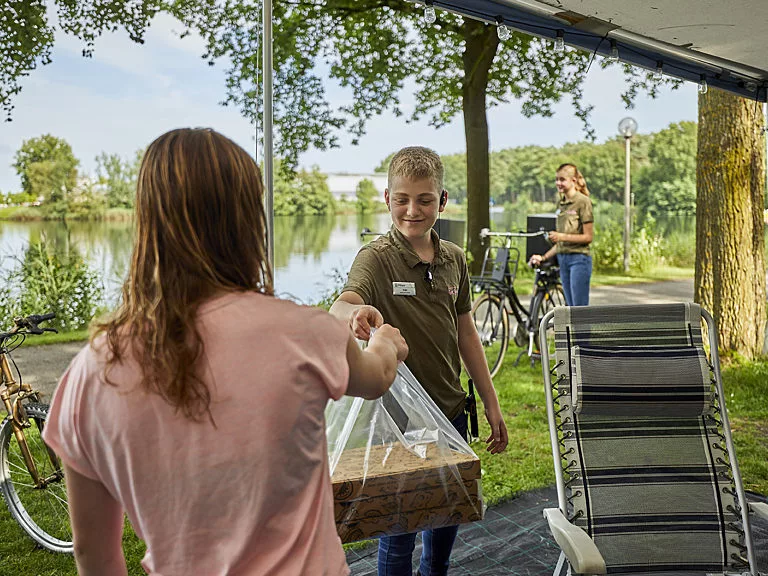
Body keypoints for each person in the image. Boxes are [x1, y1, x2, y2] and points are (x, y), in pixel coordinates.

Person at [41, 128, 409, 576]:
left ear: (147, 222)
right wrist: (385, 340)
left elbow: (94, 556)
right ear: (248, 222)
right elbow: (376, 376)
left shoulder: (91, 371)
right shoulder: (302, 333)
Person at [329, 146, 508, 576]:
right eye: (402, 199)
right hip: (398, 423)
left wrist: (490, 399)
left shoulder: (455, 259)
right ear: (386, 199)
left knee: (444, 525)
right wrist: (354, 314)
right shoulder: (375, 258)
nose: (413, 210)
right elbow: (342, 303)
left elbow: (467, 333)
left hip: (451, 416)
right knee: (398, 536)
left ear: (442, 201)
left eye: (425, 200)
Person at [529, 163, 594, 306]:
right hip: (563, 259)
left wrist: (562, 236)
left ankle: (585, 330)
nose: (558, 183)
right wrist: (543, 257)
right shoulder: (562, 204)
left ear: (573, 181)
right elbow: (560, 243)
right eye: (556, 179)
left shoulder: (583, 202)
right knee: (570, 310)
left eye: (562, 179)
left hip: (579, 259)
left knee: (580, 310)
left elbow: (588, 237)